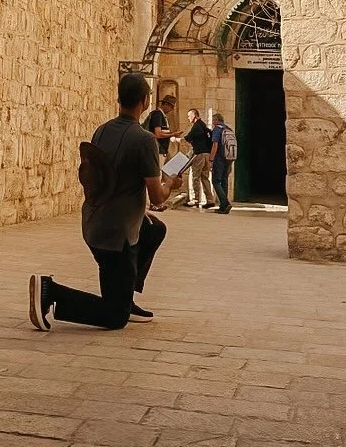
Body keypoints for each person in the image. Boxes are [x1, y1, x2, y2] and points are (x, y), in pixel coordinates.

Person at [28, 73, 182, 331]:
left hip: (94, 221)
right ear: (145, 101)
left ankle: (125, 296)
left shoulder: (102, 130)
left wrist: (138, 211)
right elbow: (157, 197)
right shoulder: (145, 140)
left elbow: (109, 177)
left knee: (154, 229)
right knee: (115, 317)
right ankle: (50, 291)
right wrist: (171, 184)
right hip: (116, 237)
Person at [180, 108, 215, 209]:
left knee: (195, 177)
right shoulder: (203, 125)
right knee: (205, 178)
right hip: (207, 154)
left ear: (194, 115)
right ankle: (210, 200)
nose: (188, 118)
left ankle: (195, 200)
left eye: (189, 116)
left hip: (199, 154)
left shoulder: (197, 126)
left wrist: (176, 139)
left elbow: (188, 138)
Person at [209, 111, 234, 214]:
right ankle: (223, 206)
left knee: (215, 181)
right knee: (224, 181)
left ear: (216, 120)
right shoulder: (229, 129)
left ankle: (225, 203)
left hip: (219, 158)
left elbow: (215, 145)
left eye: (213, 120)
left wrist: (211, 159)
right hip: (229, 158)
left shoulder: (217, 129)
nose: (212, 122)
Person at [145, 93, 177, 160]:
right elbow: (158, 134)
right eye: (171, 107)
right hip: (158, 149)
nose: (172, 109)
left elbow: (162, 131)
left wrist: (172, 133)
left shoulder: (162, 116)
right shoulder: (158, 115)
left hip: (161, 150)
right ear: (166, 104)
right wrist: (173, 134)